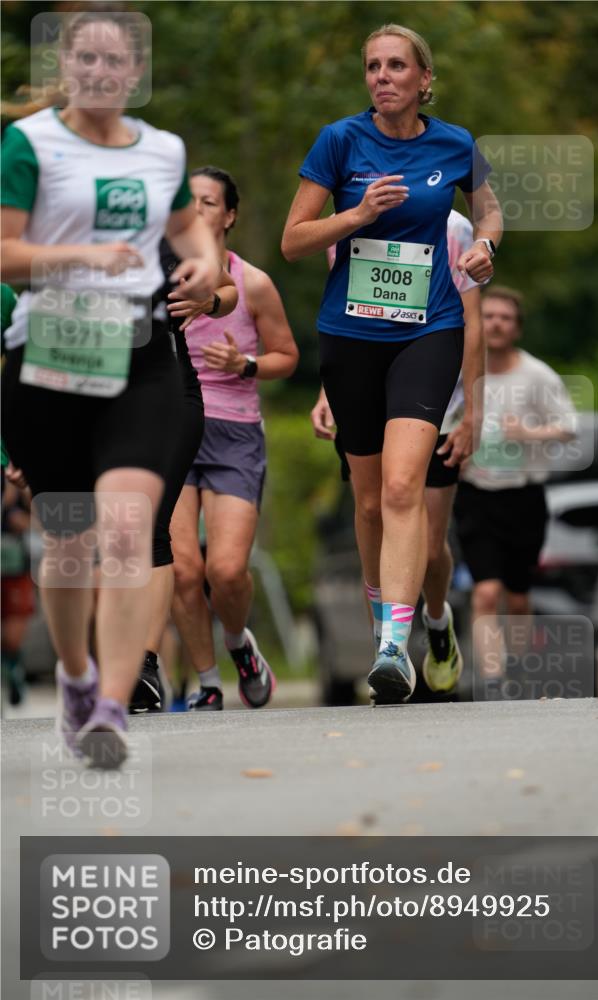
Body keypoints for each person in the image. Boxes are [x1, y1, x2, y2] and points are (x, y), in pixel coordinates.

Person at [0, 11, 221, 765]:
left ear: (133, 73)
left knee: (129, 527)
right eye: (84, 58)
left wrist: (205, 264)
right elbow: (4, 253)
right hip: (49, 355)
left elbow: (191, 230)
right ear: (67, 68)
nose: (99, 72)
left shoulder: (164, 151)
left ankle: (113, 708)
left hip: (138, 354)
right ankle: (74, 675)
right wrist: (84, 258)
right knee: (68, 542)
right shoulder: (30, 142)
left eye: (113, 60)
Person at [283, 23, 501, 704]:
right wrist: (356, 214)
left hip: (426, 330)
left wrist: (486, 248)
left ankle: (391, 646)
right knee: (370, 500)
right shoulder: (338, 141)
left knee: (407, 488)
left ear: (423, 79)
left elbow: (489, 213)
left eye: (395, 66)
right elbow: (292, 241)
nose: (381, 76)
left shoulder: (456, 143)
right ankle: (410, 626)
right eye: (372, 66)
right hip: (349, 336)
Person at [311, 209, 484, 694]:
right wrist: (328, 393)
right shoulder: (344, 223)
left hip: (436, 400)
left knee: (429, 546)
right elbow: (341, 318)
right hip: (367, 395)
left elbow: (472, 323)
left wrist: (473, 410)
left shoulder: (452, 227)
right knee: (370, 506)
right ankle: (387, 638)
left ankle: (436, 619)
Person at [168, 166, 299, 712]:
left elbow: (287, 357)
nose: (198, 210)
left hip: (234, 432)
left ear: (229, 214)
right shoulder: (163, 275)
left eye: (208, 201)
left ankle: (239, 644)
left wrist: (243, 363)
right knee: (181, 569)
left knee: (226, 570)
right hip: (171, 427)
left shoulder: (253, 282)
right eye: (189, 201)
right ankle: (207, 684)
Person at [128, 239, 238, 714]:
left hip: (170, 399)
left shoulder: (171, 235)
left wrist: (209, 301)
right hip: (94, 399)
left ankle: (143, 667)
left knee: (148, 524)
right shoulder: (68, 236)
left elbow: (227, 287)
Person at [453, 287, 577, 678]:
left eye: (504, 318)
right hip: (475, 493)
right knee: (486, 591)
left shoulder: (536, 375)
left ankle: (521, 668)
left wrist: (528, 433)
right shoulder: (461, 372)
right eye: (487, 316)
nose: (495, 323)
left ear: (517, 328)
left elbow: (569, 427)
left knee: (518, 597)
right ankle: (493, 677)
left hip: (524, 495)